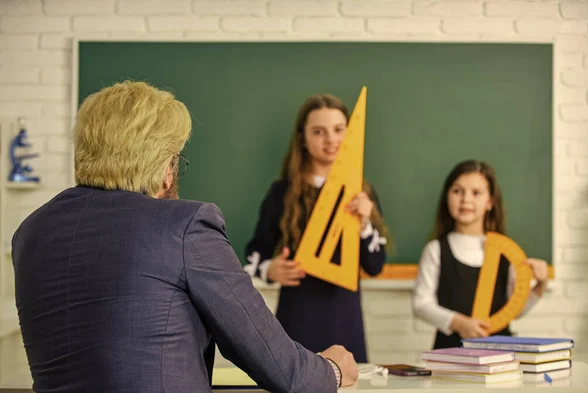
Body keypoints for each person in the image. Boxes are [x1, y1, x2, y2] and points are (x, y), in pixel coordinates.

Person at [12, 81, 358, 393]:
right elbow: (285, 371)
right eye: (177, 160)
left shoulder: (31, 232)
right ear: (165, 167)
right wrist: (332, 370)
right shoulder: (184, 225)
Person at [244, 93, 390, 363]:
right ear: (303, 138)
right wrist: (269, 269)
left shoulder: (362, 194)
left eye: (338, 130)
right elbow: (254, 252)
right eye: (319, 131)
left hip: (345, 323)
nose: (331, 140)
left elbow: (375, 265)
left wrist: (365, 223)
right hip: (296, 321)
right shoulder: (282, 193)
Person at [412, 159, 549, 349]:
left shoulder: (504, 252)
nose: (466, 199)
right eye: (457, 191)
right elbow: (421, 304)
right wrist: (458, 322)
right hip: (449, 354)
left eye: (476, 193)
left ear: (490, 202)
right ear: (447, 197)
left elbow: (514, 310)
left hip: (500, 351)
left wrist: (539, 287)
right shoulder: (436, 249)